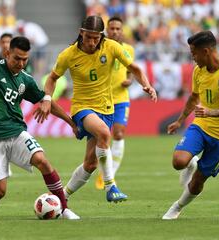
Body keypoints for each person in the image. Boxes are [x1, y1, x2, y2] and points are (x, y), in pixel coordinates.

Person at [0, 36, 80, 220]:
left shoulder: (25, 80)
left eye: (25, 59)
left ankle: (65, 209)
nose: (21, 63)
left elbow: (46, 101)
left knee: (42, 161)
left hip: (16, 131)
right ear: (7, 54)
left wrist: (70, 122)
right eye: (17, 58)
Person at [41, 15, 157, 203]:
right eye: (88, 37)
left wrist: (147, 85)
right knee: (104, 134)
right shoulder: (68, 54)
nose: (92, 42)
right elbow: (52, 78)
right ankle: (111, 186)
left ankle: (62, 197)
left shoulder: (111, 47)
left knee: (91, 163)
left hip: (107, 108)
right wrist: (47, 98)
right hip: (82, 108)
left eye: (96, 38)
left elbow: (134, 68)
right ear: (81, 33)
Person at [162, 31, 219, 220]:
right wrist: (180, 120)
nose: (192, 58)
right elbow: (193, 97)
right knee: (178, 162)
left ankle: (177, 206)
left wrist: (211, 112)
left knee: (198, 181)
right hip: (202, 126)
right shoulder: (198, 70)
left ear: (206, 51)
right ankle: (191, 163)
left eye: (194, 53)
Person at [95, 16, 135, 190]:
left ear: (122, 30)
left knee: (118, 134)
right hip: (101, 99)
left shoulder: (129, 49)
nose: (115, 31)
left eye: (118, 29)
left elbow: (131, 70)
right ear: (107, 30)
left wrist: (130, 79)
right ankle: (103, 171)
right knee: (102, 138)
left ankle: (107, 176)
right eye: (112, 28)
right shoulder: (98, 49)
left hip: (121, 99)